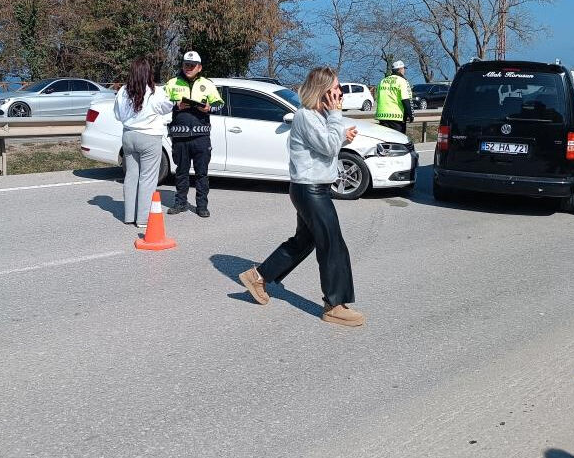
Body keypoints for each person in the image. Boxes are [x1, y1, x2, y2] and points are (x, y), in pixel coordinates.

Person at [238, 67, 365, 327]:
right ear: (322, 90)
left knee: (303, 242)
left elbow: (326, 146)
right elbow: (329, 145)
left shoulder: (318, 116)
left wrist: (342, 134)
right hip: (310, 190)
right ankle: (334, 305)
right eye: (335, 88)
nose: (339, 93)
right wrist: (337, 119)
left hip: (311, 187)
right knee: (332, 245)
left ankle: (258, 277)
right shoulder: (306, 116)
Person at [113, 59, 174, 227]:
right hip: (149, 137)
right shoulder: (156, 91)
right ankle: (143, 219)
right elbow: (167, 107)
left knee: (131, 176)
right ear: (149, 73)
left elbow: (118, 115)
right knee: (147, 178)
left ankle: (129, 216)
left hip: (128, 136)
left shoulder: (124, 91)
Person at [164, 51, 224, 218]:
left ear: (199, 67)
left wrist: (209, 108)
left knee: (201, 173)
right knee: (181, 172)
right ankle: (180, 203)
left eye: (192, 65)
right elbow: (160, 104)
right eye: (186, 65)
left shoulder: (208, 84)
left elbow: (220, 104)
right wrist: (176, 105)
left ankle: (202, 205)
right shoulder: (172, 83)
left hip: (201, 137)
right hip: (179, 137)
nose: (188, 68)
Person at [375, 60, 415, 133]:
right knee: (398, 141)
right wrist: (410, 115)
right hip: (397, 117)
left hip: (382, 116)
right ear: (400, 70)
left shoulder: (382, 81)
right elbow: (406, 100)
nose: (404, 71)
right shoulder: (402, 81)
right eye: (403, 69)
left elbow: (377, 98)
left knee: (385, 140)